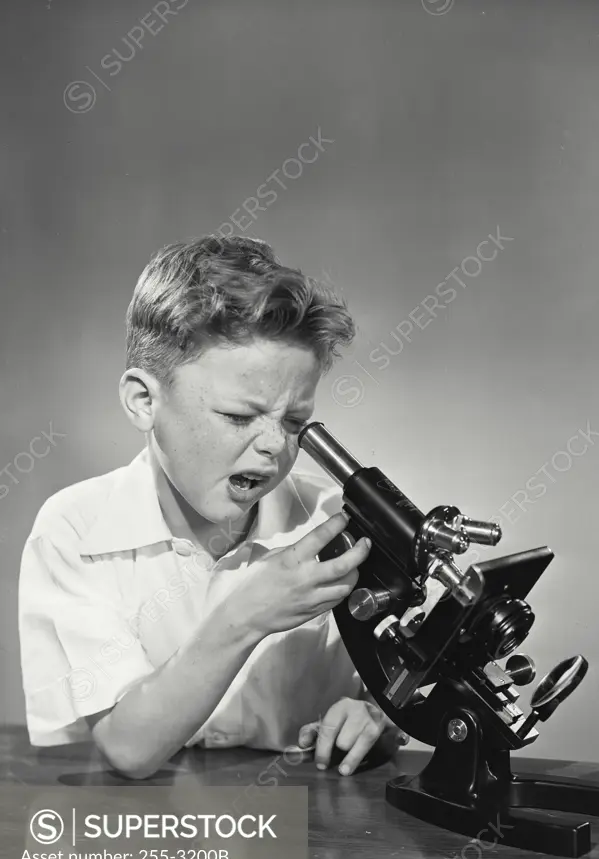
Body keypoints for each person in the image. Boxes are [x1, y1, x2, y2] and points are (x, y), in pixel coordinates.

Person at [18, 234, 405, 779]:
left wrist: (374, 717)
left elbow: (392, 694)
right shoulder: (74, 532)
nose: (275, 445)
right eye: (239, 417)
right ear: (144, 400)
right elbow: (129, 749)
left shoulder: (332, 522)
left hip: (305, 840)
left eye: (294, 422)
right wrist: (247, 614)